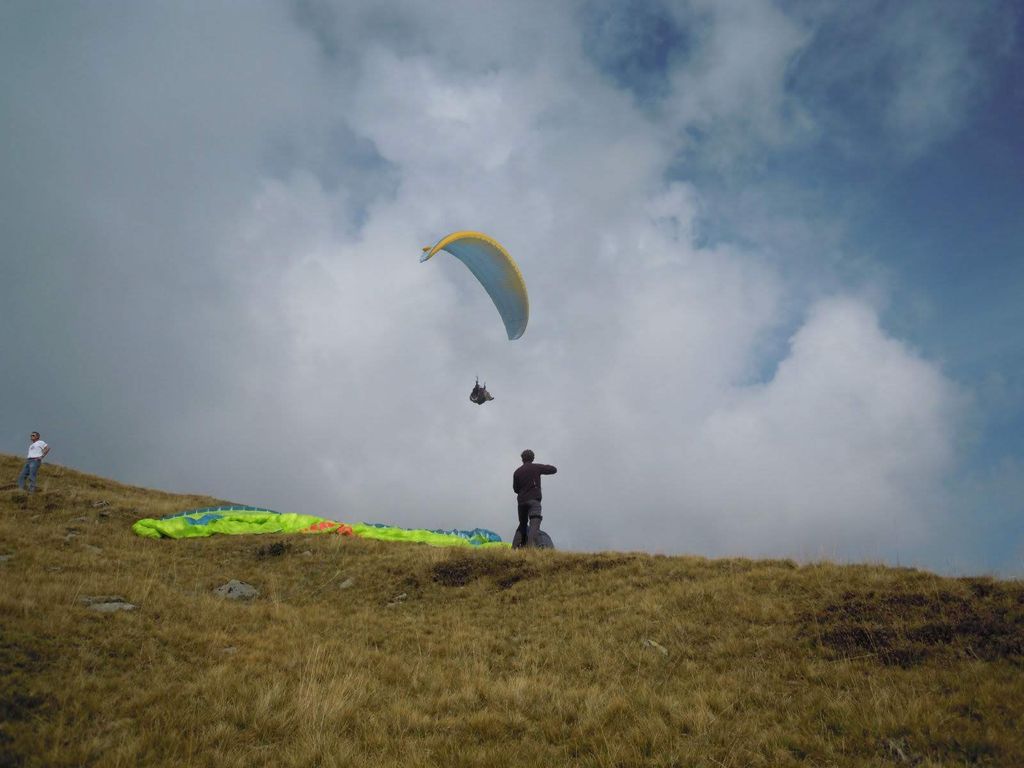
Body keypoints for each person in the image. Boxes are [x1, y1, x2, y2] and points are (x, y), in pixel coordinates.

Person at [512, 449, 557, 548]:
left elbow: (515, 489)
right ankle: (529, 547)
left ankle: (514, 547)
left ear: (522, 459)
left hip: (521, 502)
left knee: (522, 524)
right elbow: (553, 469)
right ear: (532, 458)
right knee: (534, 523)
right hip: (534, 500)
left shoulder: (517, 472)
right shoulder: (536, 467)